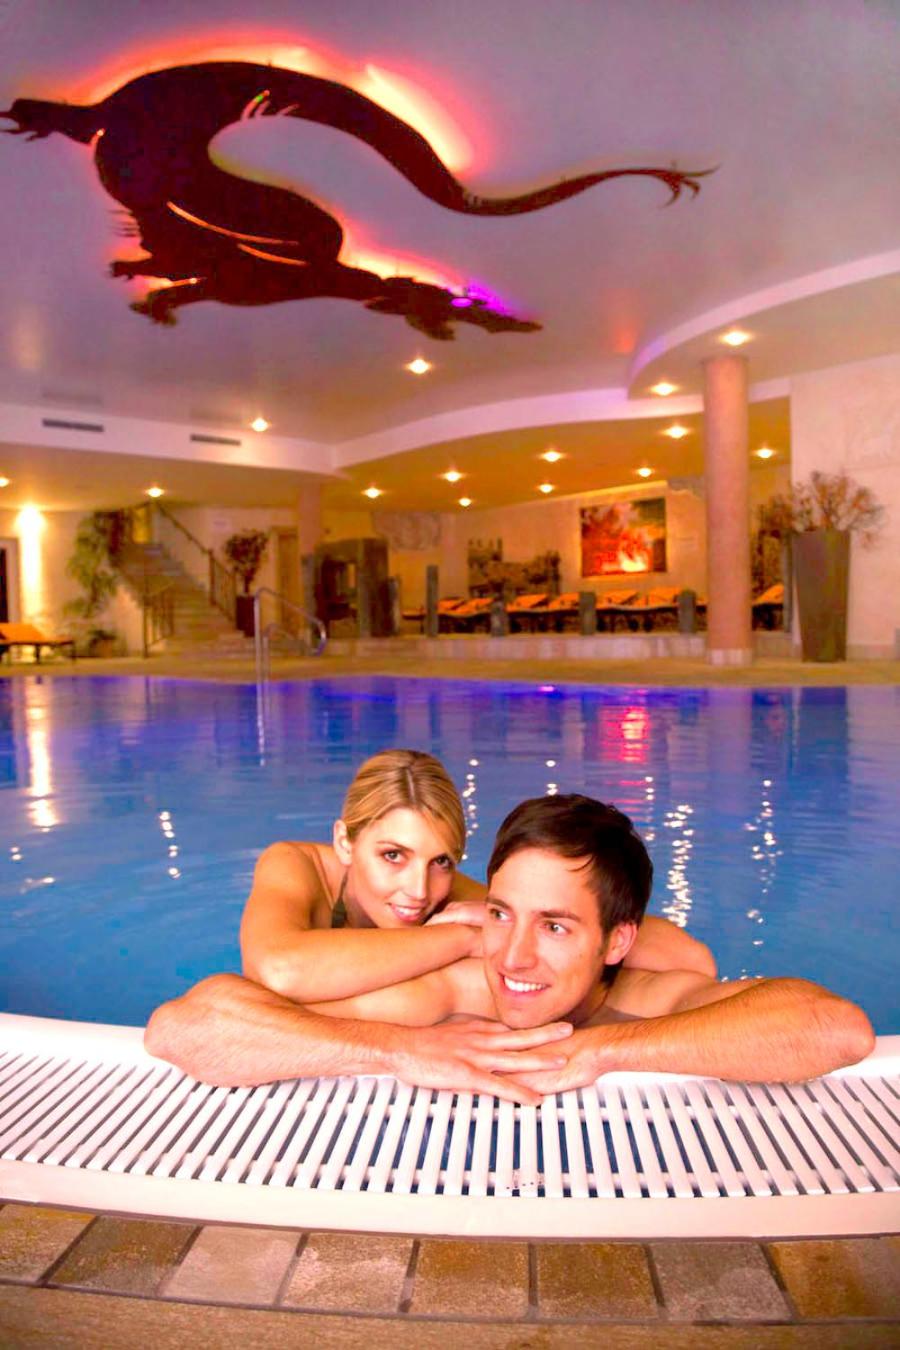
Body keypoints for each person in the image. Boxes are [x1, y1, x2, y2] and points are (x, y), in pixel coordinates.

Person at [145, 793, 874, 1102]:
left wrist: (600, 1051)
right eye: (501, 915)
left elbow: (833, 1027)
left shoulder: (646, 1002)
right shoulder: (455, 992)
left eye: (554, 926)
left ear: (618, 941)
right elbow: (188, 1025)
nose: (513, 959)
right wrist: (393, 1051)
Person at [237, 748, 715, 1008]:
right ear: (345, 842)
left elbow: (691, 961)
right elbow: (278, 972)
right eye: (393, 855)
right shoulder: (295, 866)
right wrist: (468, 939)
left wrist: (503, 922)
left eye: (441, 861)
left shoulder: (447, 894)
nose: (418, 891)